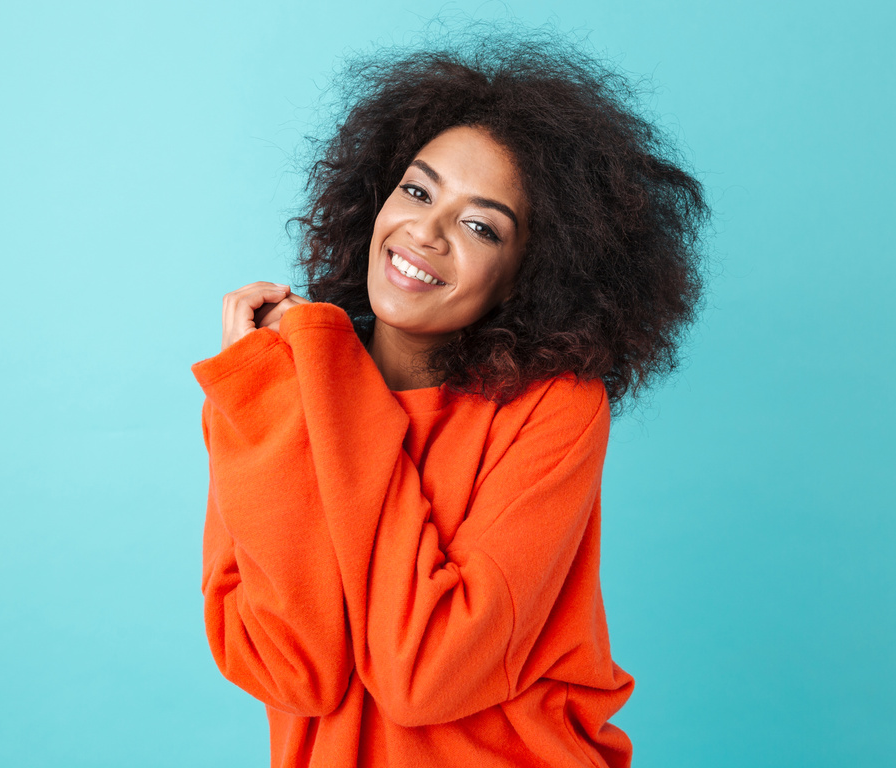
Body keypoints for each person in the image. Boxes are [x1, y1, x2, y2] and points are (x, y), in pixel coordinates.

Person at [191, 29, 708, 768]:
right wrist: (278, 394)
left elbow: (424, 676)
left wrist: (329, 388)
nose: (424, 232)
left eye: (478, 226)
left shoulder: (555, 408)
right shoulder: (272, 387)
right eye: (416, 189)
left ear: (531, 271)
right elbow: (291, 669)